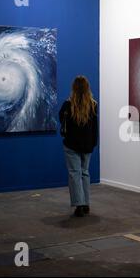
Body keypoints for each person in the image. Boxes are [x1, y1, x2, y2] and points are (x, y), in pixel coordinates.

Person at [59, 76, 98, 217]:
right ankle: (86, 203)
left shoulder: (67, 105)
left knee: (75, 174)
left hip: (71, 145)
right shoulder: (93, 104)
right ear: (87, 87)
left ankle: (79, 205)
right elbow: (95, 127)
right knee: (85, 173)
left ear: (74, 88)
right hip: (87, 146)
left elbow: (61, 121)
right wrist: (93, 143)